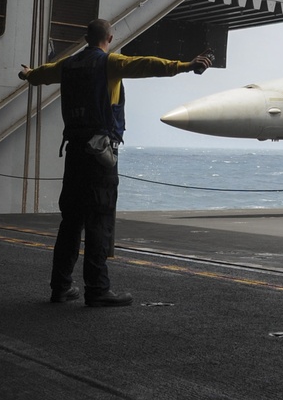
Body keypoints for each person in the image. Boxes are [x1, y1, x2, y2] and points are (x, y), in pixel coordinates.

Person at [19, 19, 213, 305]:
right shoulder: (110, 63)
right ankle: (97, 290)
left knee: (70, 222)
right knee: (99, 218)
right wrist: (185, 65)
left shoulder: (68, 66)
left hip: (73, 151)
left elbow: (41, 75)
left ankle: (60, 287)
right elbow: (149, 65)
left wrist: (28, 74)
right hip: (100, 153)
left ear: (86, 38)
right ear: (109, 38)